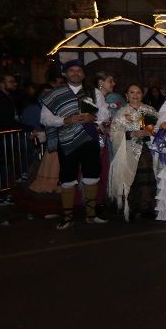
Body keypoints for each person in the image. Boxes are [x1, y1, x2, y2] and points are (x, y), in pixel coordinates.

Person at [40, 60, 111, 229]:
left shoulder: (93, 92)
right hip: (66, 140)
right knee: (67, 178)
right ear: (65, 74)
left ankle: (91, 215)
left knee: (92, 175)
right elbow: (44, 118)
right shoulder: (55, 94)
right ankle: (68, 217)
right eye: (71, 70)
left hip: (89, 138)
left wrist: (93, 117)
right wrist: (65, 119)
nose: (75, 73)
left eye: (79, 70)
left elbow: (105, 113)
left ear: (84, 74)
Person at [107, 83, 158, 220]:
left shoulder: (150, 111)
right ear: (127, 95)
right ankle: (131, 208)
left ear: (142, 95)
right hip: (128, 150)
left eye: (138, 92)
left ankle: (147, 207)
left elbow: (158, 130)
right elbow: (114, 133)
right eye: (132, 92)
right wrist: (131, 134)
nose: (135, 95)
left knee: (148, 179)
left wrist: (150, 133)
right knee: (131, 179)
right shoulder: (121, 113)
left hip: (147, 150)